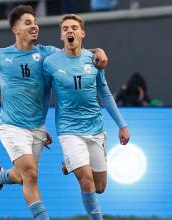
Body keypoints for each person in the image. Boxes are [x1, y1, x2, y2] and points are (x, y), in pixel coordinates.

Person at [0, 5, 108, 220]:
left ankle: (0, 177)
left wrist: (99, 52)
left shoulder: (47, 54)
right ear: (15, 29)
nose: (35, 26)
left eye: (35, 22)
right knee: (30, 173)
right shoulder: (0, 55)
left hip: (38, 128)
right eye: (28, 23)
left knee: (23, 176)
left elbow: (77, 51)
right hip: (11, 126)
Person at [43, 14, 130, 220]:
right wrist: (40, 125)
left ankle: (69, 162)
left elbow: (106, 94)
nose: (70, 31)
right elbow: (45, 95)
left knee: (99, 187)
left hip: (95, 128)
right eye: (65, 28)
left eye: (74, 27)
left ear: (82, 33)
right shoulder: (50, 63)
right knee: (86, 181)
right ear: (61, 35)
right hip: (68, 129)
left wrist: (122, 125)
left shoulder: (95, 60)